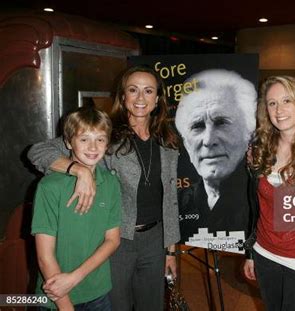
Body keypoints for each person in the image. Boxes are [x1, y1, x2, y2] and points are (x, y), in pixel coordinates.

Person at [28, 65, 180, 311]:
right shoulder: (107, 133)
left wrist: (171, 251)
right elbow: (38, 152)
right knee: (118, 305)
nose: (140, 98)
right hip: (118, 238)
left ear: (157, 99)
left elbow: (170, 197)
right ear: (123, 96)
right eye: (133, 90)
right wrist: (78, 170)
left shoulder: (167, 137)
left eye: (148, 91)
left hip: (156, 238)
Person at [243, 76, 295, 310]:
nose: (279, 110)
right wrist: (250, 252)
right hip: (264, 252)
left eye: (286, 100)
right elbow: (254, 207)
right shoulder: (259, 150)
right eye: (272, 103)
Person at [32, 107, 121, 310]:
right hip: (54, 297)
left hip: (98, 292)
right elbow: (44, 257)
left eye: (100, 139)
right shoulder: (50, 186)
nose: (92, 146)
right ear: (68, 142)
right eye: (83, 139)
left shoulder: (110, 183)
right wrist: (65, 305)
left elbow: (112, 240)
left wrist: (74, 278)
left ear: (107, 143)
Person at [174, 69, 257, 240]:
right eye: (197, 126)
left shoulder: (260, 200)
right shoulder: (178, 205)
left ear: (249, 133)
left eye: (221, 123)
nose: (208, 140)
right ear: (186, 144)